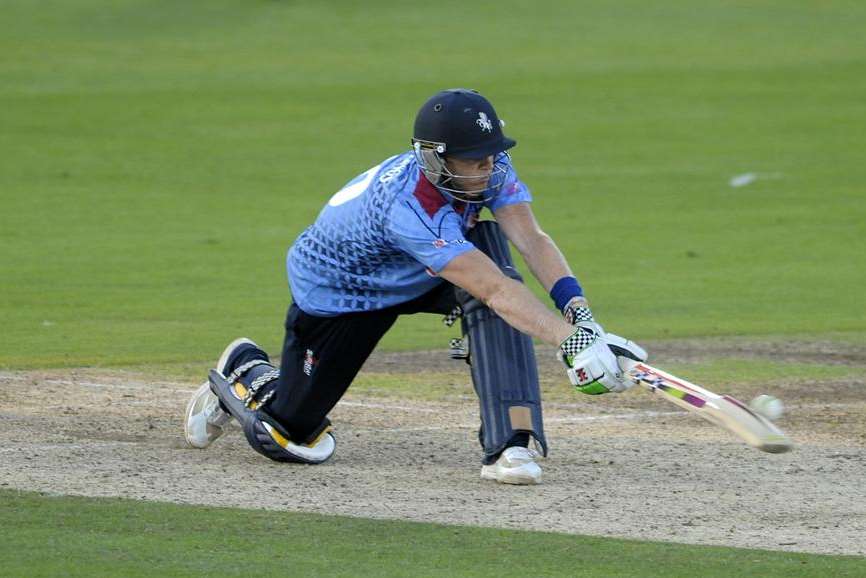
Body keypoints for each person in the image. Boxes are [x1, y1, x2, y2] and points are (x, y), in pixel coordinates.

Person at [184, 88, 646, 485]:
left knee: (495, 269)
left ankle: (511, 443)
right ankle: (246, 369)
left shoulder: (491, 164)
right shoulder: (407, 205)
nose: (489, 169)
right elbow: (493, 291)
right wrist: (575, 344)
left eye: (491, 156)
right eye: (475, 162)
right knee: (288, 437)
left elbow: (531, 238)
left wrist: (581, 317)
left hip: (424, 268)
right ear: (435, 158)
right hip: (346, 293)